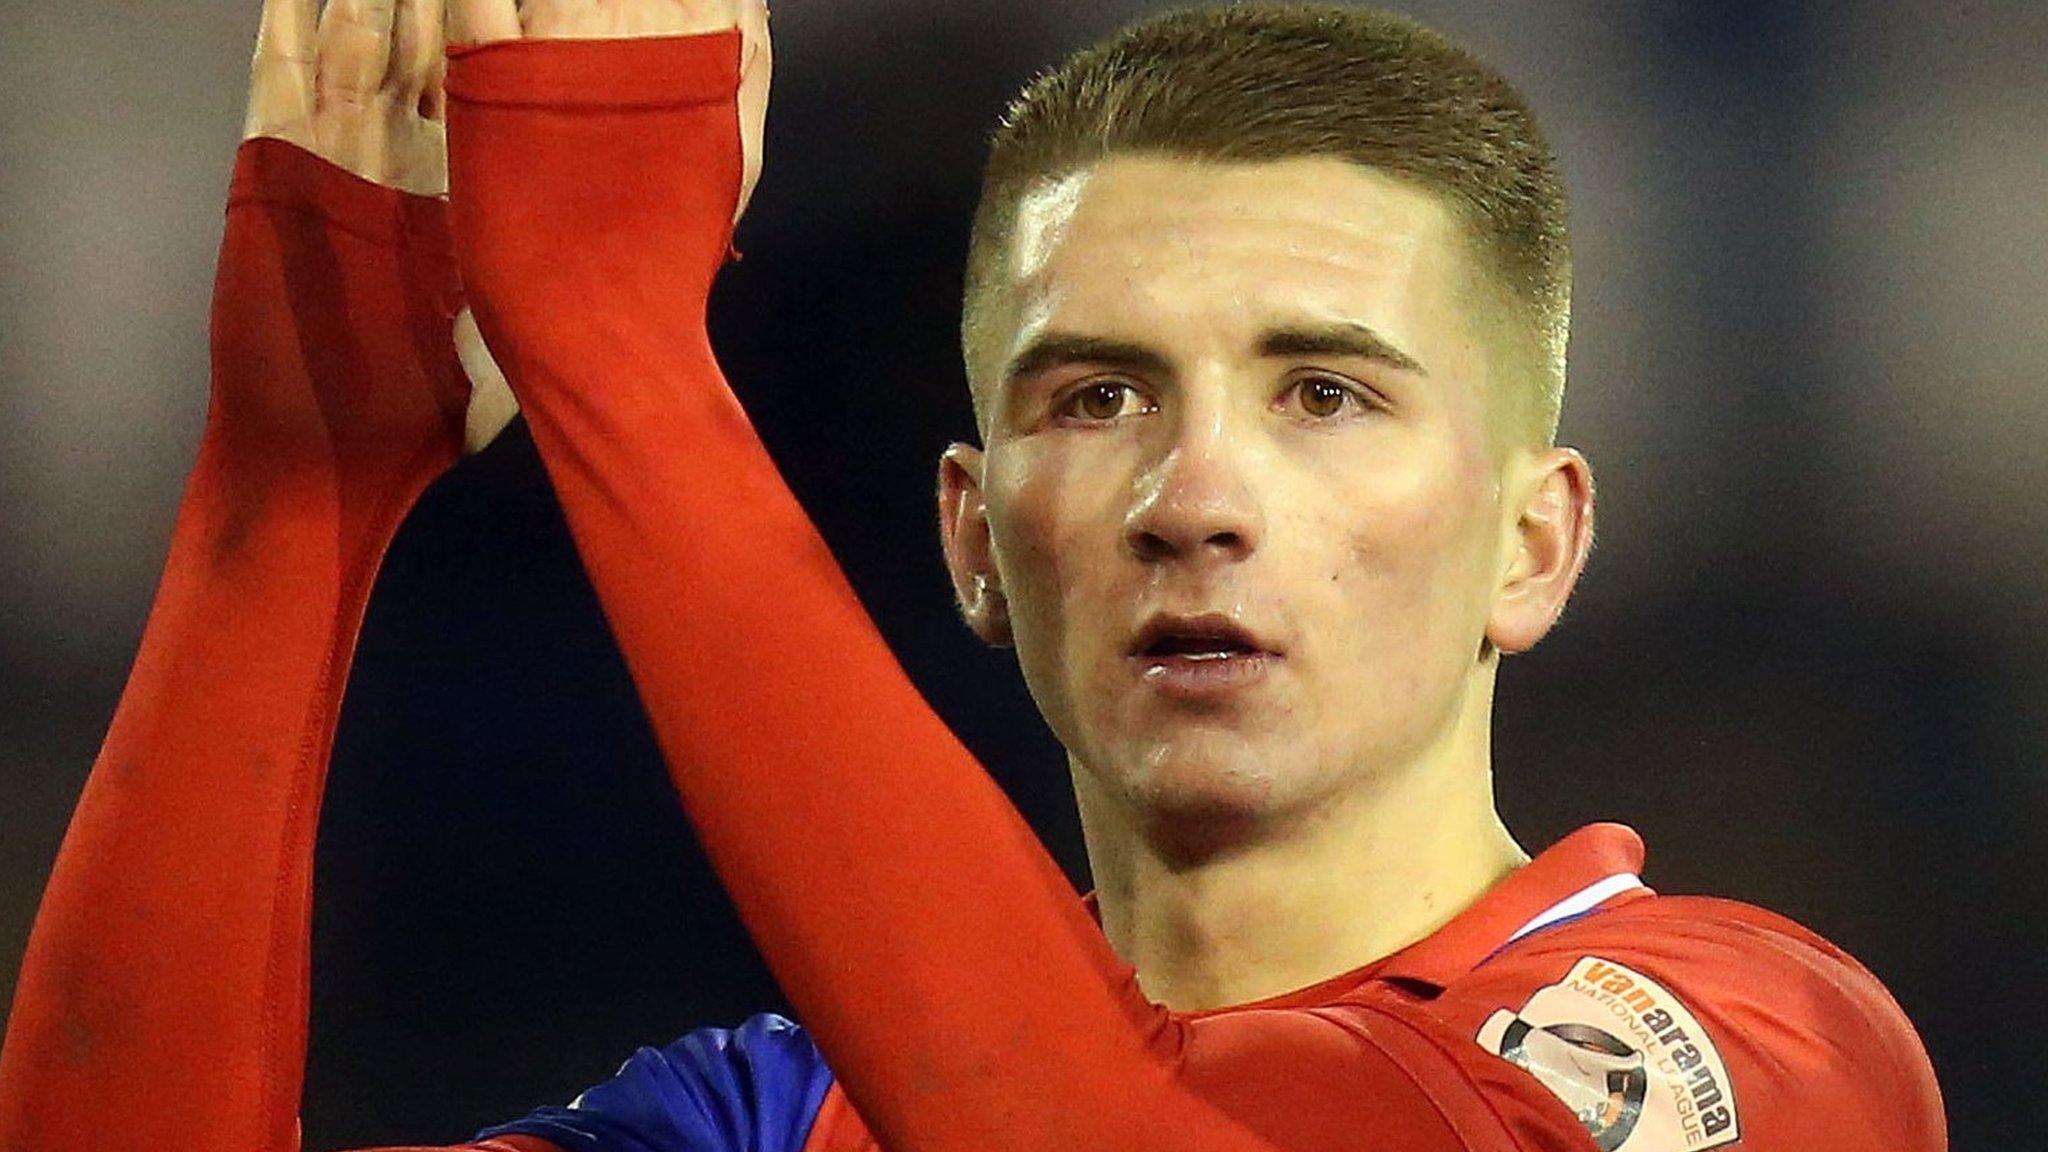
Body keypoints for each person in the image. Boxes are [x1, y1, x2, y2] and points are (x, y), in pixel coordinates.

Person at [0, 1, 1947, 1150]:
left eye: (1325, 393)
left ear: (1531, 545)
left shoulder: (1757, 1046)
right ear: (971, 541)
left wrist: (623, 356)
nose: (1196, 495)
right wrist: (287, 500)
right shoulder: (776, 1115)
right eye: (1096, 395)